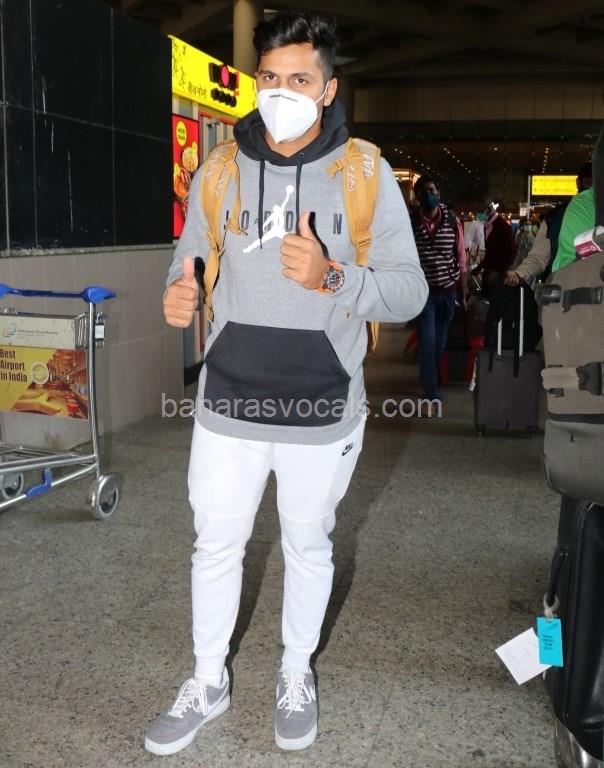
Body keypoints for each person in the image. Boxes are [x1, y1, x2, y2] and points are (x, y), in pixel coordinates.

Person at [145, 11, 428, 757]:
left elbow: (408, 293)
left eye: (299, 79)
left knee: (307, 544)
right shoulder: (218, 168)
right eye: (269, 78)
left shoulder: (364, 173)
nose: (281, 92)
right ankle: (208, 679)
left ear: (328, 89)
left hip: (322, 402)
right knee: (215, 543)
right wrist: (181, 290)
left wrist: (333, 277)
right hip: (228, 397)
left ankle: (295, 672)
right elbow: (189, 256)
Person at [409, 174, 467, 410]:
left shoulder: (452, 221)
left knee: (439, 344)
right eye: (423, 191)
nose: (428, 195)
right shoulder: (411, 223)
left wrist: (463, 293)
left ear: (439, 194)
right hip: (424, 294)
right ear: (417, 196)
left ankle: (428, 375)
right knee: (427, 342)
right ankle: (430, 394)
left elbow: (461, 258)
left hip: (448, 291)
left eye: (432, 190)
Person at [506, 162, 593, 286]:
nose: (590, 189)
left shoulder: (555, 217)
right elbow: (539, 256)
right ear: (578, 183)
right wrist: (520, 273)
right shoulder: (555, 217)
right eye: (588, 182)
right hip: (563, 287)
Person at [473, 201, 516, 294]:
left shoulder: (503, 227)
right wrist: (478, 269)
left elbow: (511, 253)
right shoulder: (487, 226)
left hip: (497, 278)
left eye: (480, 212)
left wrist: (500, 272)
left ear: (489, 210)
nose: (479, 215)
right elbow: (490, 254)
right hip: (488, 274)